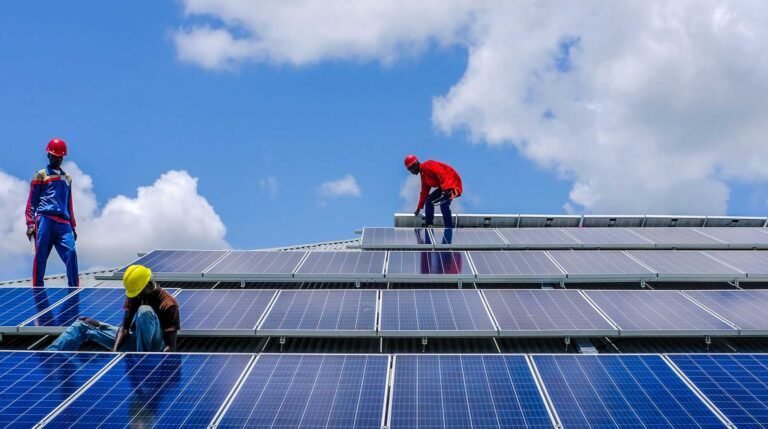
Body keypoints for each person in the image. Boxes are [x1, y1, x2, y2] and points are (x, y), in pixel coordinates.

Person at [46, 265, 180, 352]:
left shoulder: (168, 304)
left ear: (149, 284)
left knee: (144, 311)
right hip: (134, 340)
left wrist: (149, 364)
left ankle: (141, 356)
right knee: (83, 324)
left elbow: (171, 347)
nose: (136, 296)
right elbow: (125, 328)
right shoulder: (135, 294)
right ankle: (49, 357)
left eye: (138, 292)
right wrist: (114, 352)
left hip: (154, 348)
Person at [25, 138, 79, 286]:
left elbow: (69, 203)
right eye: (55, 156)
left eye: (61, 157)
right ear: (49, 155)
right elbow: (32, 202)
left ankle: (74, 291)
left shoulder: (67, 178)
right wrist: (30, 223)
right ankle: (38, 291)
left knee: (71, 253)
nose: (58, 159)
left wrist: (73, 226)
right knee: (40, 257)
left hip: (64, 223)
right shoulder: (40, 175)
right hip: (45, 220)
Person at [404, 155, 463, 229]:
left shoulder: (428, 165)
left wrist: (445, 189)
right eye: (409, 170)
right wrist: (419, 208)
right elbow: (424, 193)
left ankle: (449, 228)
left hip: (452, 183)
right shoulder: (424, 176)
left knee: (444, 204)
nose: (411, 172)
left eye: (410, 169)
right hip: (444, 187)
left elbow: (441, 173)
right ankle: (429, 224)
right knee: (428, 200)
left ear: (415, 164)